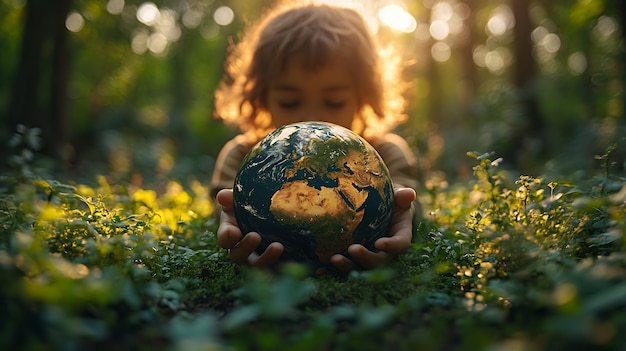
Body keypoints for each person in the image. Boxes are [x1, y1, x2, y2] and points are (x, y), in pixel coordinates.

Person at [210, 1, 421, 274]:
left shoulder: (386, 153)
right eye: (289, 101)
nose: (311, 117)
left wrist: (398, 216)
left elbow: (407, 199)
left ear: (363, 98)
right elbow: (223, 209)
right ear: (262, 98)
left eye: (333, 102)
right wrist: (234, 223)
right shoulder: (242, 156)